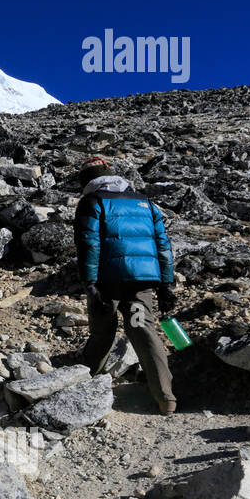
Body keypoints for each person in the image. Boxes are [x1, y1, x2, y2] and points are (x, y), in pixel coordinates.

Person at [73, 155, 178, 415]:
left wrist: (89, 282)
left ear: (87, 180)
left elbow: (89, 244)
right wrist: (166, 284)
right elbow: (163, 245)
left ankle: (83, 385)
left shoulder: (92, 201)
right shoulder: (144, 202)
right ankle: (166, 398)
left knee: (103, 332)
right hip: (140, 283)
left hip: (107, 283)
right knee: (142, 331)